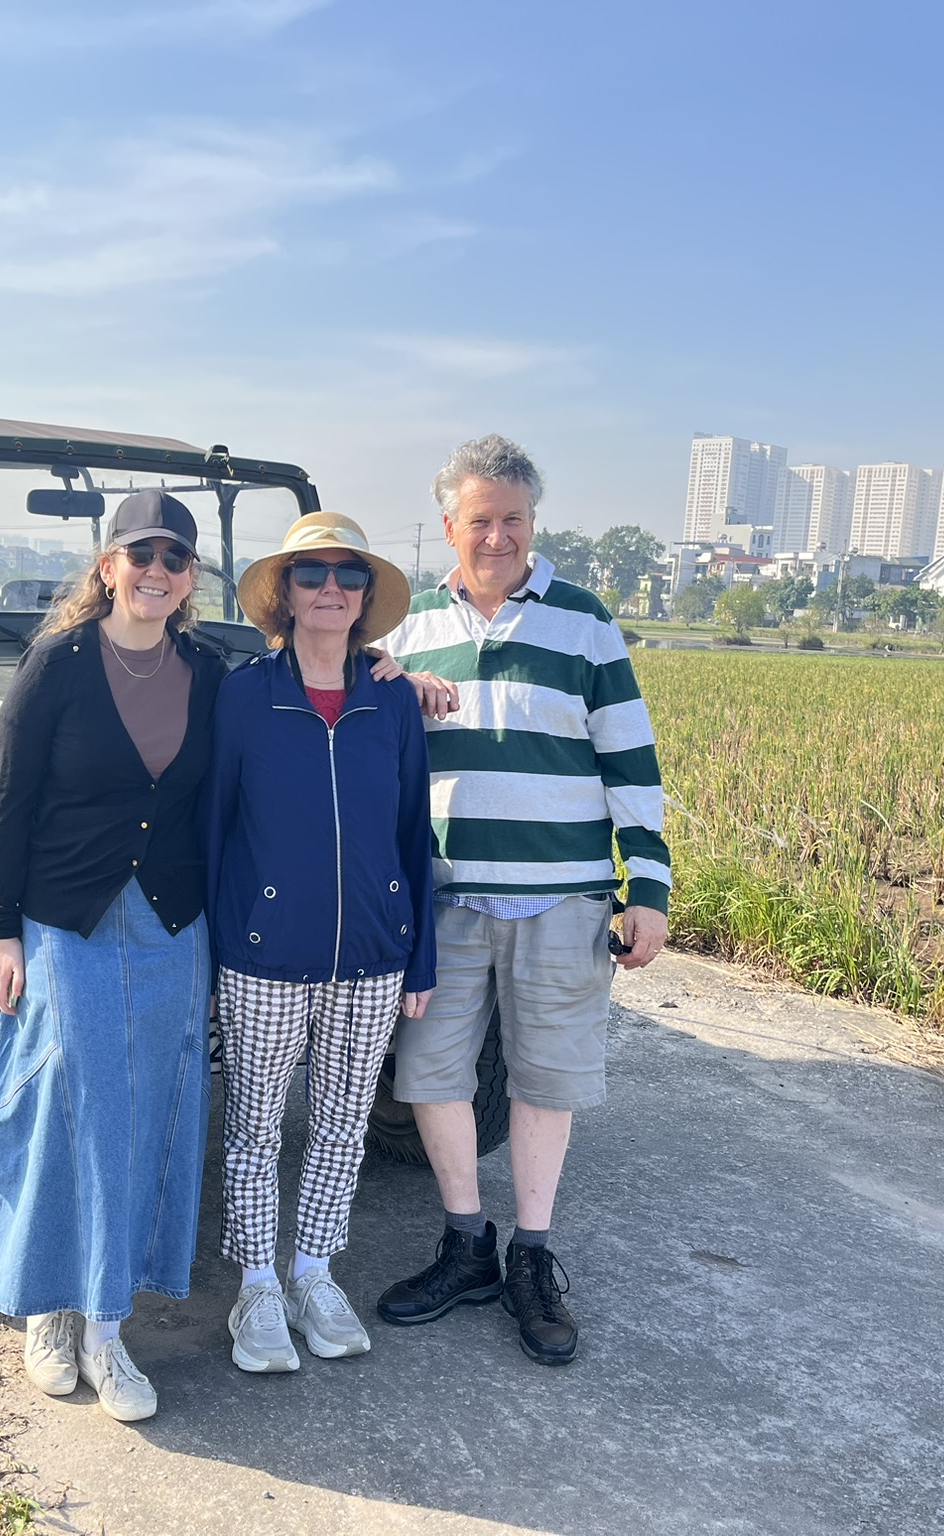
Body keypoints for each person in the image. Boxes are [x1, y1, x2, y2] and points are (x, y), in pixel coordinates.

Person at [375, 434, 670, 1367]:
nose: (496, 536)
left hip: (563, 899)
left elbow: (630, 761)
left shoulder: (586, 625)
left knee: (548, 1078)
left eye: (512, 519)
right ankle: (467, 1241)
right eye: (479, 520)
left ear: (533, 524)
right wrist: (387, 685)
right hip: (447, 896)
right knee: (432, 1072)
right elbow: (337, 702)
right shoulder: (408, 633)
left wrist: (649, 888)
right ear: (448, 527)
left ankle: (533, 1257)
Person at [0, 489, 223, 1423]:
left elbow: (307, 681)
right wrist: (3, 930)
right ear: (107, 566)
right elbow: (11, 805)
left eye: (174, 558)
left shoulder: (208, 671)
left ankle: (109, 1328)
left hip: (171, 925)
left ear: (189, 578)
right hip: (67, 923)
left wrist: (394, 673)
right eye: (140, 554)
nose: (156, 571)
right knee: (71, 1106)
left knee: (151, 1111)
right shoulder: (57, 666)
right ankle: (50, 1307)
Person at [206, 514, 437, 1374]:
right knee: (256, 1127)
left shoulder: (392, 702)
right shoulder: (245, 695)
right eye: (312, 574)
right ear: (286, 594)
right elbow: (215, 826)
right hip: (263, 953)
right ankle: (257, 1285)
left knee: (342, 1127)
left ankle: (315, 1271)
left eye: (348, 575)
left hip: (374, 954)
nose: (331, 588)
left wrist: (421, 955)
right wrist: (213, 947)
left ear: (367, 598)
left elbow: (413, 831)